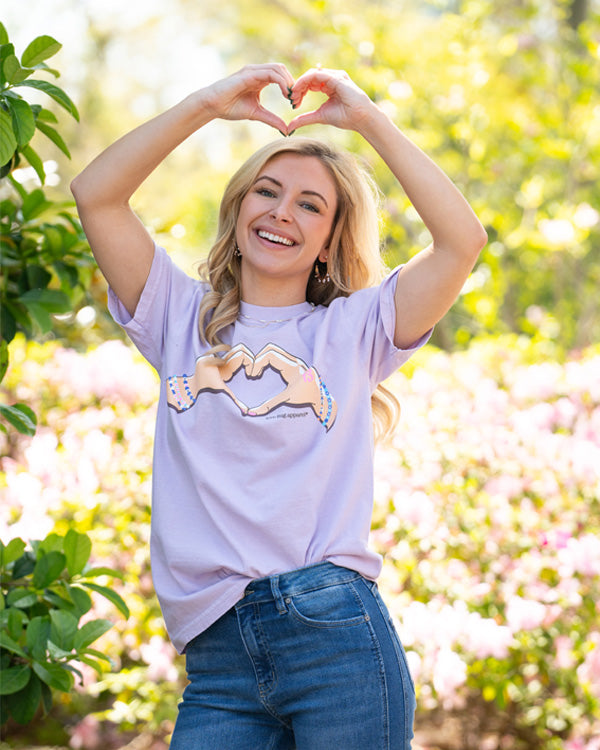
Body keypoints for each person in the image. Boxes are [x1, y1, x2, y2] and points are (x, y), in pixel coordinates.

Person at [71, 62, 487, 750]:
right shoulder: (177, 316)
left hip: (336, 638)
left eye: (310, 205)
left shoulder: (355, 329)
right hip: (218, 658)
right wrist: (207, 104)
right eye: (266, 191)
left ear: (330, 239)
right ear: (237, 208)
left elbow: (461, 242)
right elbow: (97, 195)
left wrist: (367, 121)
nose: (281, 212)